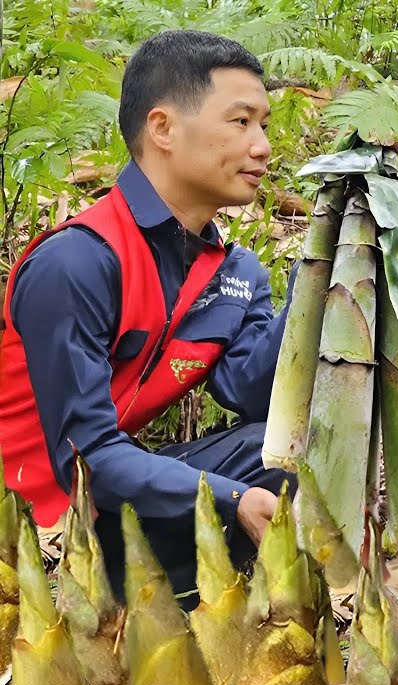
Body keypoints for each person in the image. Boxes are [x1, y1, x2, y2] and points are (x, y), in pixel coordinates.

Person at [0, 29, 289, 605]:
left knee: (284, 452)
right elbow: (90, 460)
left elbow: (255, 397)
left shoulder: (234, 272)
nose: (261, 146)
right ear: (162, 128)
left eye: (264, 125)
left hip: (109, 491)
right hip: (35, 517)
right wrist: (231, 499)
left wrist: (319, 284)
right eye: (240, 122)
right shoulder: (77, 261)